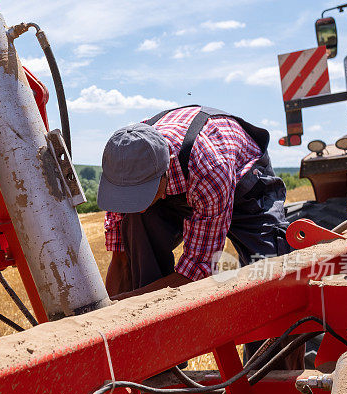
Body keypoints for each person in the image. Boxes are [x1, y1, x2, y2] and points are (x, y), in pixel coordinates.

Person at [98, 105, 292, 299]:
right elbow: (121, 257)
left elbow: (197, 270)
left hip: (245, 183)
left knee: (271, 272)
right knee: (136, 224)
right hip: (188, 180)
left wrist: (132, 303)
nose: (138, 207)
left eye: (142, 195)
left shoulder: (210, 167)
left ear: (165, 171)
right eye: (129, 198)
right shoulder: (123, 165)